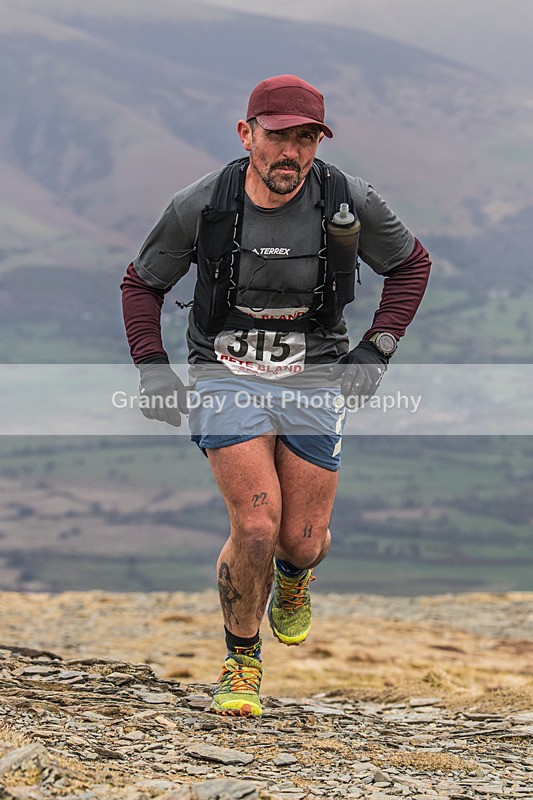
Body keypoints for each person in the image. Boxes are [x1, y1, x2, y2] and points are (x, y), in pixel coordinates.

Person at [121, 74, 431, 717]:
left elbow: (411, 265)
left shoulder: (347, 200)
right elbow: (141, 282)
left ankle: (296, 577)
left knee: (303, 539)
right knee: (257, 523)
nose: (291, 152)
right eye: (278, 136)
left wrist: (377, 350)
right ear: (247, 133)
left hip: (315, 370)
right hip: (223, 369)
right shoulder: (203, 204)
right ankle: (241, 661)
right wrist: (153, 368)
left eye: (306, 138)